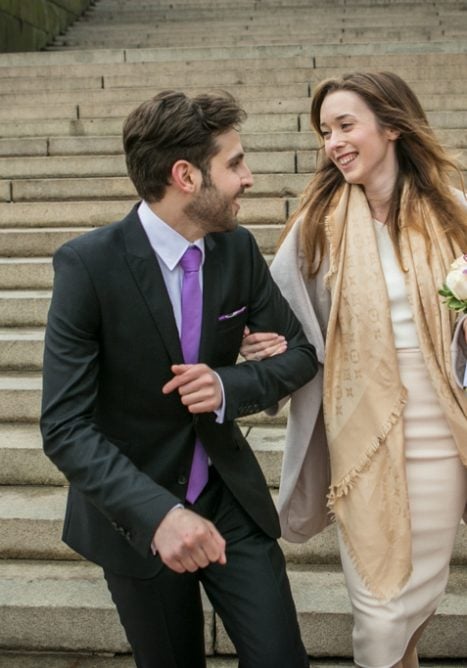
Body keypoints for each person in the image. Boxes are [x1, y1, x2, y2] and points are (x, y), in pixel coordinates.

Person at [40, 90, 317, 668]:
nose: (249, 177)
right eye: (235, 163)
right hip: (135, 514)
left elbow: (299, 353)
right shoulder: (87, 266)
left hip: (229, 498)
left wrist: (228, 386)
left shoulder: (236, 249)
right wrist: (158, 514)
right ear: (186, 176)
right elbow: (65, 426)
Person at [241, 71, 467, 668]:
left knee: (419, 594)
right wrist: (261, 348)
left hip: (440, 429)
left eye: (346, 125)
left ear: (391, 126)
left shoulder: (451, 214)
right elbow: (281, 324)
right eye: (325, 132)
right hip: (359, 431)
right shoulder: (316, 226)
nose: (333, 142)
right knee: (377, 608)